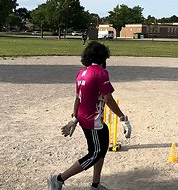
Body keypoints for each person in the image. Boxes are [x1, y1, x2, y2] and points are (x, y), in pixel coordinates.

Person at [48, 41, 132, 190]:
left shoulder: (81, 73)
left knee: (101, 150)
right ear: (103, 57)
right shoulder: (100, 72)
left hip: (86, 118)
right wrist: (123, 118)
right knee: (95, 153)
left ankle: (96, 184)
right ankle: (59, 179)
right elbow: (108, 99)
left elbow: (77, 98)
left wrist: (74, 118)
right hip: (92, 121)